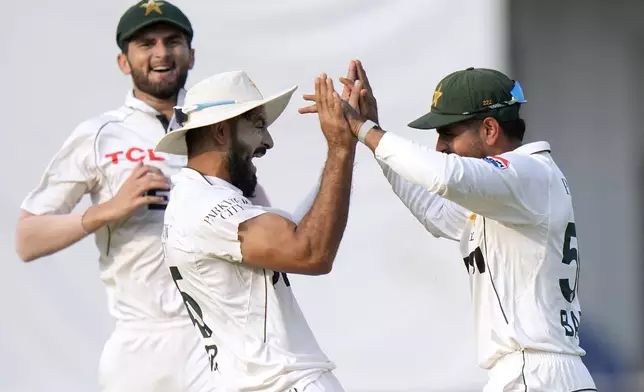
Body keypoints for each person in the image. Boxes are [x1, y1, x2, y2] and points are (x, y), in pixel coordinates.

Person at [301, 61, 597, 391]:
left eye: (448, 134)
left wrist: (364, 131)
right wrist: (371, 128)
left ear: (489, 130)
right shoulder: (510, 192)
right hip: (546, 373)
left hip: (533, 374)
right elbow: (435, 212)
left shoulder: (526, 173)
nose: (440, 146)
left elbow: (443, 175)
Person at [15, 1, 218, 391]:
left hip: (215, 338)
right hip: (140, 346)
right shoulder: (100, 134)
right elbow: (27, 239)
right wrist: (109, 210)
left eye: (172, 41)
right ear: (123, 62)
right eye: (146, 43)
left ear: (191, 55)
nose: (161, 53)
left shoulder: (217, 130)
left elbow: (261, 223)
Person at [153, 69, 357, 392]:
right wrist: (340, 148)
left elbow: (301, 229)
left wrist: (345, 145)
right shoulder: (204, 206)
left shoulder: (200, 199)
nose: (268, 141)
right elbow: (312, 251)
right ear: (221, 132)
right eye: (258, 124)